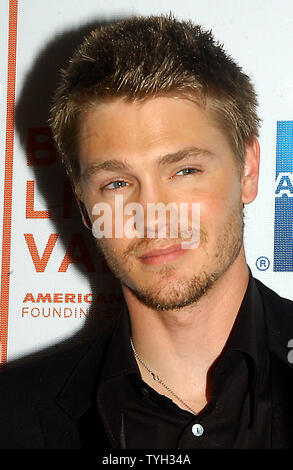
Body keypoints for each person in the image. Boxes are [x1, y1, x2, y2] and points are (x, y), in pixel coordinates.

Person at [1, 14, 293, 450]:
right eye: (116, 183)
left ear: (249, 169)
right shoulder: (12, 415)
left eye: (184, 170)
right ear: (83, 205)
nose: (153, 217)